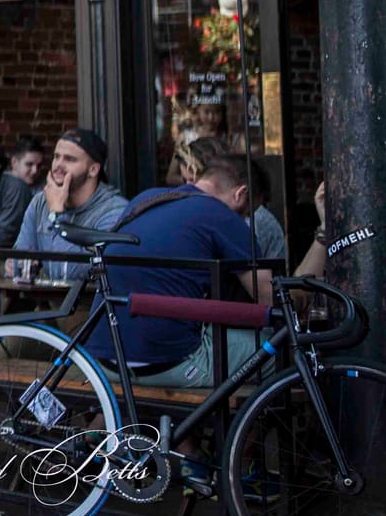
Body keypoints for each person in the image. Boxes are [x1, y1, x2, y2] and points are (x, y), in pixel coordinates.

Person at [84, 153, 274, 387]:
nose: (244, 220)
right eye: (247, 213)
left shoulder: (146, 199)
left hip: (103, 362)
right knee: (278, 348)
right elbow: (269, 299)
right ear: (240, 194)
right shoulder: (221, 214)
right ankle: (245, 423)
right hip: (165, 364)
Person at [13, 129, 129, 280]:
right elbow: (17, 266)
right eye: (56, 157)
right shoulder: (41, 201)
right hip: (47, 301)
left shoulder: (115, 211)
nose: (58, 165)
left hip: (89, 303)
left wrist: (57, 215)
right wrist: (23, 266)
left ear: (93, 169)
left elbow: (70, 274)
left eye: (69, 159)